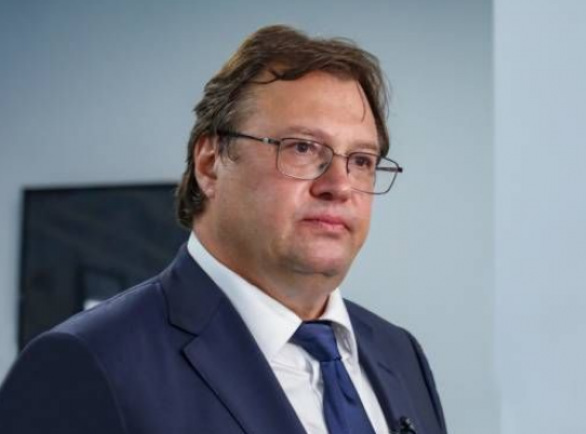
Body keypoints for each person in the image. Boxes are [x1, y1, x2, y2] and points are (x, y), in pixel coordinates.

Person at [0, 25, 447, 434]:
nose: (340, 185)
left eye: (362, 161)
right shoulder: (84, 364)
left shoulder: (400, 354)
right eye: (303, 148)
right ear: (210, 164)